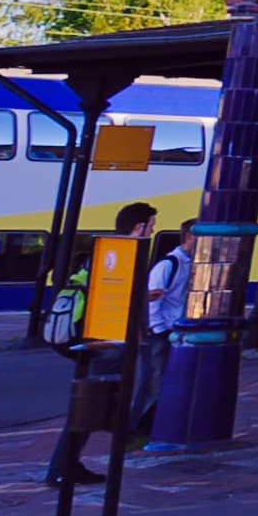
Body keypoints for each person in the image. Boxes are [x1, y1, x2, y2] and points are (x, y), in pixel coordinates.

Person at [46, 203, 157, 484]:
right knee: (89, 407)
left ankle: (66, 465)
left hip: (98, 341)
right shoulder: (126, 256)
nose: (153, 230)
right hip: (110, 344)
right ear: (139, 227)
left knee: (90, 406)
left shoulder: (103, 254)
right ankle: (63, 468)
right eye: (151, 225)